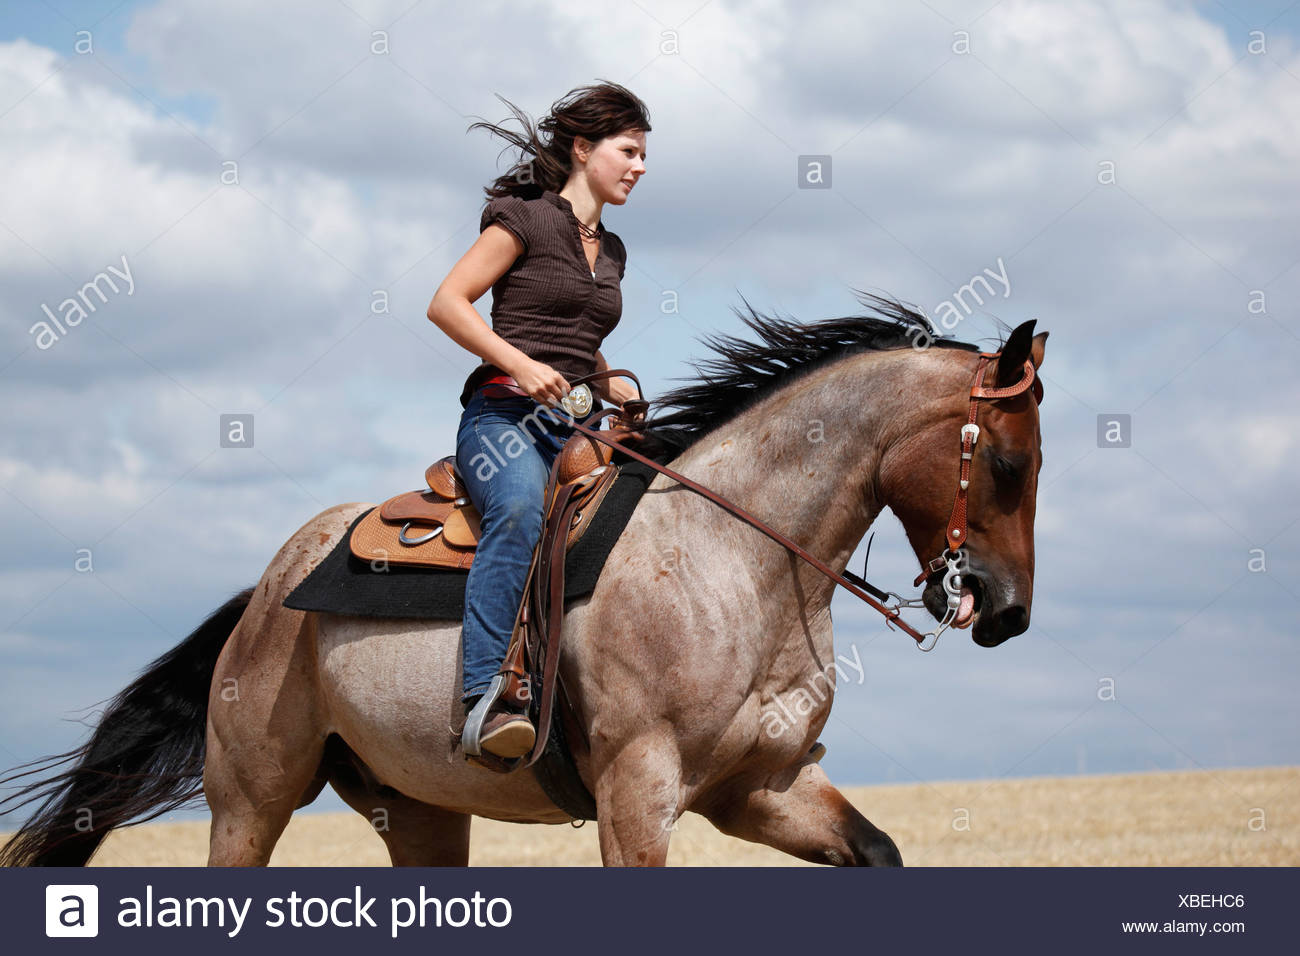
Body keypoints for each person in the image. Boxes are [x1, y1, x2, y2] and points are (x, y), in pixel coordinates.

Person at [426, 81, 650, 761]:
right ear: (583, 149)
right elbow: (447, 303)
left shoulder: (611, 251)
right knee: (521, 508)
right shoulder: (521, 218)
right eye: (628, 151)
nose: (639, 167)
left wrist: (609, 378)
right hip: (504, 418)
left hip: (579, 422)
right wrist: (519, 365)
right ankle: (486, 697)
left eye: (644, 155)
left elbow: (576, 337)